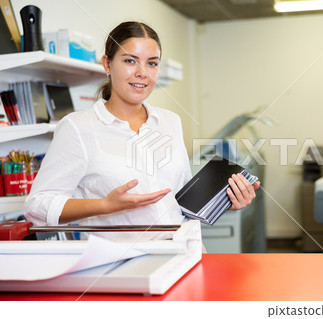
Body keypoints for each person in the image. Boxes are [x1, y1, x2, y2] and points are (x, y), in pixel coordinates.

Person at [24, 21, 259, 240]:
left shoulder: (169, 121)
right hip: (120, 268)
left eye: (152, 63)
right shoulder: (77, 127)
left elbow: (183, 201)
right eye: (129, 60)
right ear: (107, 64)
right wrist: (105, 205)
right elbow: (36, 206)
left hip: (184, 253)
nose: (142, 72)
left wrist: (225, 200)